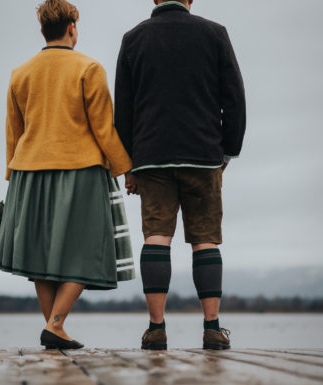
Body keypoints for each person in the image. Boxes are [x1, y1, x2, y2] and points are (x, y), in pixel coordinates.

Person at [0, 0, 135, 350]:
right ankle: (55, 324)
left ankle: (54, 329)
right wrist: (126, 169)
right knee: (87, 250)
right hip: (80, 169)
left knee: (40, 253)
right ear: (72, 28)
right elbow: (104, 128)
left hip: (29, 170)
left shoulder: (20, 73)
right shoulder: (89, 68)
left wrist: (12, 174)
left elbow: (14, 132)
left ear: (43, 30)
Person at [115, 0, 246, 350]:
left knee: (156, 236)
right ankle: (212, 329)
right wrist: (227, 151)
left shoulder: (133, 39)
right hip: (203, 154)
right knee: (205, 239)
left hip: (151, 156)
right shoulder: (215, 33)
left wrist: (128, 164)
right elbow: (234, 98)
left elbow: (123, 109)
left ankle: (156, 329)